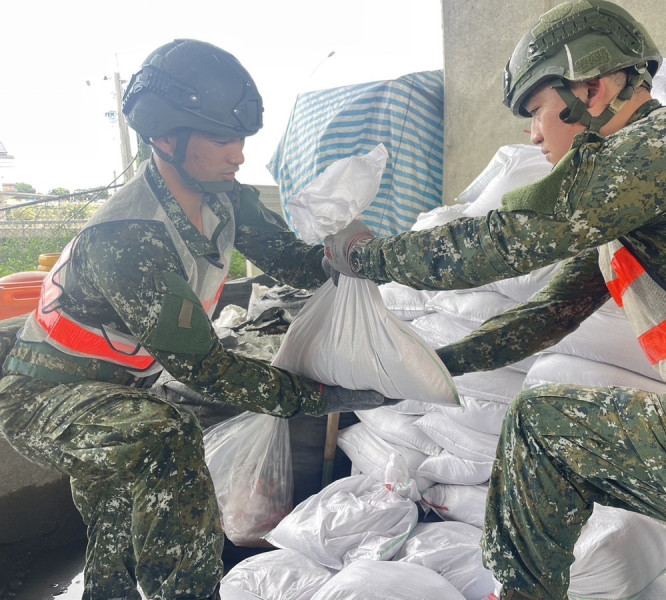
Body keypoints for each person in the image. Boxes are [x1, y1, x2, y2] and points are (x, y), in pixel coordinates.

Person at [323, 1, 666, 598]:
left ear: (594, 88)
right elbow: (542, 319)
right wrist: (424, 370)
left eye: (538, 109)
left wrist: (367, 257)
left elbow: (506, 241)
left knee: (546, 425)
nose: (532, 132)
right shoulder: (635, 199)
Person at [0, 39, 394, 600]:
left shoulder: (223, 197)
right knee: (166, 436)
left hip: (114, 394)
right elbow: (207, 370)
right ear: (165, 136)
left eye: (240, 140)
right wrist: (326, 394)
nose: (238, 155)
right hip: (44, 400)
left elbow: (295, 262)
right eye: (222, 139)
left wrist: (351, 253)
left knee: (115, 546)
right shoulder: (130, 237)